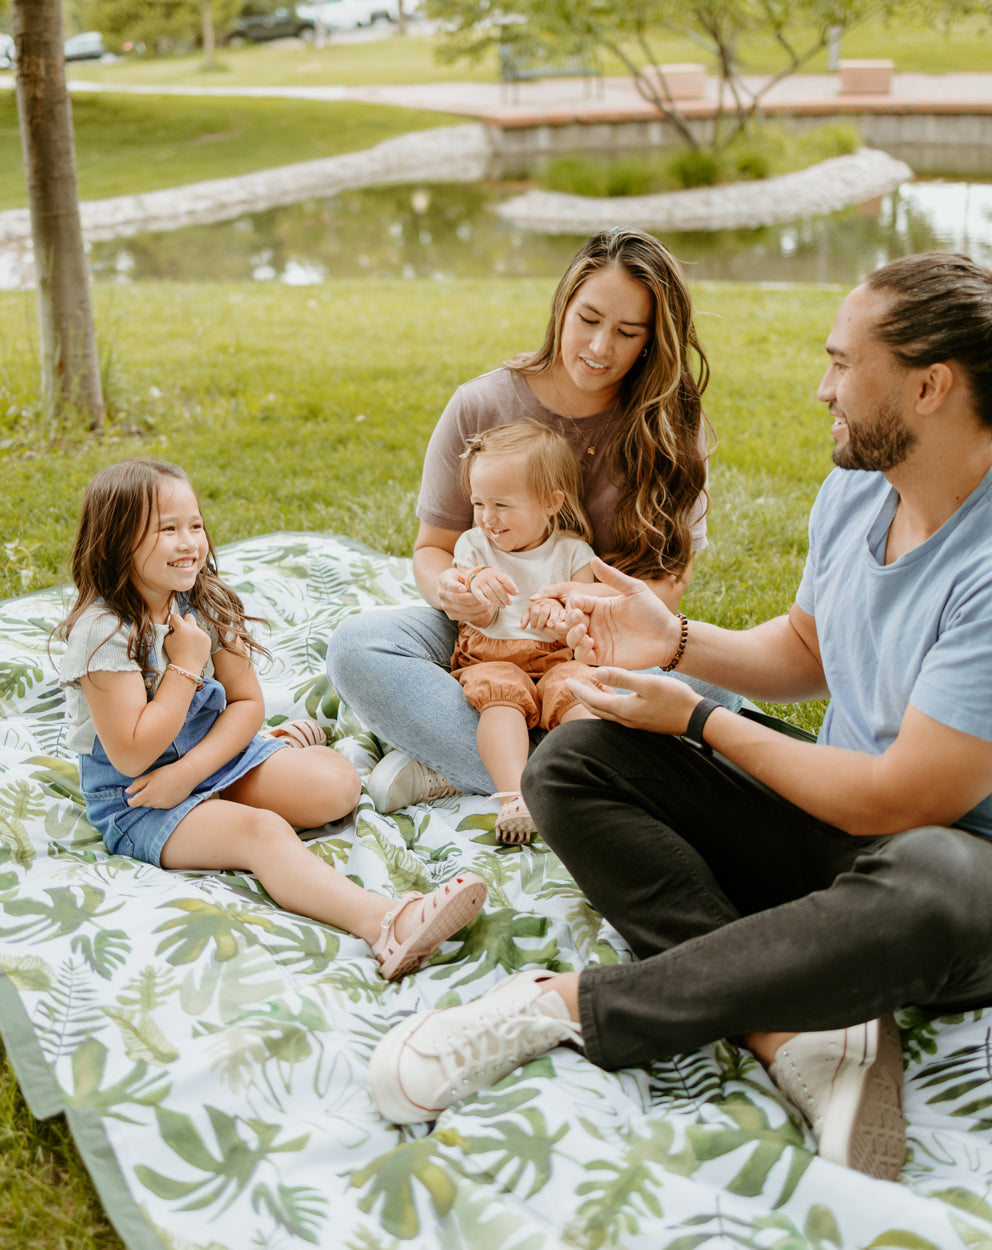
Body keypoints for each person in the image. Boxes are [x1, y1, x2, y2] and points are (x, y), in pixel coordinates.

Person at [366, 252, 992, 1181]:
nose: (822, 389)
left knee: (933, 876)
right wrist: (674, 642)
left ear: (930, 386)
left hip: (947, 873)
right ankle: (791, 1030)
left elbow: (904, 802)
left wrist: (698, 719)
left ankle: (568, 1006)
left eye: (842, 364)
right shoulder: (861, 487)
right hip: (833, 831)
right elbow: (808, 652)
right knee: (575, 758)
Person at [327, 227, 737, 814]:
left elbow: (671, 577)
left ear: (653, 341)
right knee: (357, 646)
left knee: (721, 687)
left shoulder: (670, 425)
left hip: (610, 643)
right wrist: (454, 591)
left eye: (627, 332)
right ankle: (579, 778)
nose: (600, 347)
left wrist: (600, 631)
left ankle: (473, 768)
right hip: (489, 634)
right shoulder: (480, 405)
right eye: (588, 319)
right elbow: (433, 548)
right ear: (562, 307)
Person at [56, 458, 486, 982]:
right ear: (111, 544)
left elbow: (245, 703)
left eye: (194, 524)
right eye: (167, 529)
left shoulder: (204, 603)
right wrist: (187, 665)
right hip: (140, 799)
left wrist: (194, 773)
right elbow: (131, 752)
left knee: (338, 784)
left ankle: (274, 751)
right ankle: (387, 925)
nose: (190, 541)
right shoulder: (103, 633)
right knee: (263, 832)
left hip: (209, 763)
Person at [450, 423, 601, 843]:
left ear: (551, 502)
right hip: (491, 656)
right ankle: (514, 796)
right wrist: (475, 582)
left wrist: (563, 617)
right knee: (500, 695)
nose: (487, 517)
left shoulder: (573, 552)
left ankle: (589, 789)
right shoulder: (475, 545)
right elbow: (460, 581)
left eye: (501, 504)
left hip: (557, 658)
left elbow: (584, 613)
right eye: (479, 502)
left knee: (579, 693)